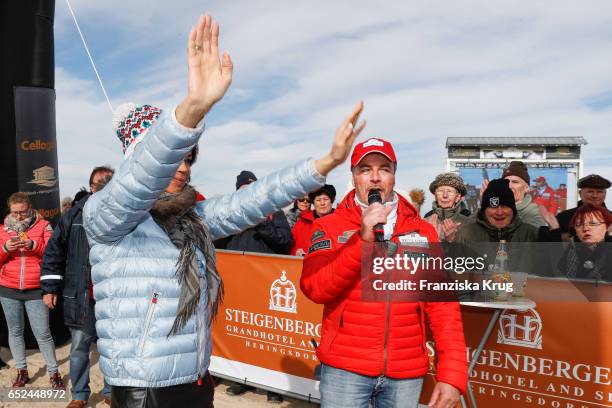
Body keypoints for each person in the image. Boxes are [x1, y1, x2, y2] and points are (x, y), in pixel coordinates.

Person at [82, 14, 365, 408]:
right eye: (173, 158)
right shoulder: (107, 214)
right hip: (144, 389)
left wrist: (321, 165)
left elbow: (250, 202)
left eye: (189, 157)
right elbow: (140, 179)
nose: (183, 166)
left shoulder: (191, 220)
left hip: (197, 379)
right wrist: (191, 111)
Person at [300, 137, 467, 408]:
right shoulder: (329, 226)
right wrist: (362, 241)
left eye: (383, 169)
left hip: (405, 374)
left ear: (394, 174)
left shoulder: (422, 231)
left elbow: (443, 306)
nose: (375, 178)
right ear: (354, 176)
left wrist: (452, 374)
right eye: (365, 169)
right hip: (346, 370)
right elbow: (315, 288)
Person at [40, 166, 115, 408]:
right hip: (81, 294)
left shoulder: (123, 213)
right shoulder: (73, 215)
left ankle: (111, 391)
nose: (101, 186)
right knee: (80, 347)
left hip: (113, 296)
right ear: (90, 186)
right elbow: (54, 251)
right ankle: (80, 395)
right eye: (97, 182)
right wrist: (50, 287)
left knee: (112, 347)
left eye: (107, 181)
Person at [215, 171, 290, 403]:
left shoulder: (272, 211)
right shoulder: (229, 214)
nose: (248, 192)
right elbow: (217, 243)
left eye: (252, 187)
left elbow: (286, 241)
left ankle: (274, 386)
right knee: (240, 330)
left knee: (268, 336)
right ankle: (241, 378)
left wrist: (261, 225)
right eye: (243, 189)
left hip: (266, 284)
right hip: (237, 283)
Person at [0, 193, 64, 389]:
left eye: (23, 212)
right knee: (15, 331)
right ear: (9, 211)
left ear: (30, 208)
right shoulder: (2, 230)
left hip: (36, 288)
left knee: (43, 333)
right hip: (8, 288)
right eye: (15, 212)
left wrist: (34, 245)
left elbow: (54, 253)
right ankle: (22, 371)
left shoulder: (43, 226)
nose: (19, 216)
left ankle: (54, 373)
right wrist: (5, 248)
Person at [558, 205, 612, 282]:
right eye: (579, 224)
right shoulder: (573, 247)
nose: (585, 229)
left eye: (593, 224)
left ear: (607, 226)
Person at [556, 174, 611, 241]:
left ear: (605, 194)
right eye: (590, 191)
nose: (595, 196)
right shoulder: (563, 217)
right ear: (580, 193)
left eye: (599, 192)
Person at [290, 184, 336, 256]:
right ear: (313, 203)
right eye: (318, 200)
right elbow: (290, 248)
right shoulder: (301, 223)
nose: (322, 203)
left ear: (332, 201)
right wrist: (296, 252)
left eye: (326, 199)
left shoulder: (341, 221)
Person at [497, 161, 546, 227]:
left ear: (526, 188)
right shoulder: (495, 207)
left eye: (515, 182)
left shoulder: (533, 212)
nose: (509, 186)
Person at [424, 172, 471, 242]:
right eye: (440, 191)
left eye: (450, 191)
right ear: (435, 195)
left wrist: (454, 241)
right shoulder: (424, 223)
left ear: (457, 197)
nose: (445, 195)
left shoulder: (469, 224)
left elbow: (475, 251)